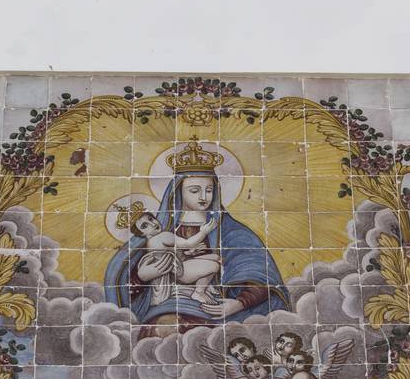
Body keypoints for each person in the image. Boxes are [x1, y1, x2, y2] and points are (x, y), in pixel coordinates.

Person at [103, 140, 289, 330]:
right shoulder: (161, 229)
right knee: (164, 329)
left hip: (219, 305)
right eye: (194, 190)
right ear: (177, 192)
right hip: (168, 304)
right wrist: (141, 277)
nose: (203, 197)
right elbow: (122, 276)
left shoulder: (231, 230)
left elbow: (259, 270)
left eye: (209, 190)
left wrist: (240, 302)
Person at [121, 204, 223, 306]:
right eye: (145, 225)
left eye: (151, 219)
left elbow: (173, 253)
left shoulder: (151, 242)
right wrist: (204, 232)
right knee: (215, 266)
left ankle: (204, 285)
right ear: (141, 233)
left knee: (215, 257)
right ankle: (198, 293)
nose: (152, 224)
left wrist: (190, 253)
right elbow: (188, 243)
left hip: (177, 268)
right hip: (181, 272)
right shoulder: (162, 236)